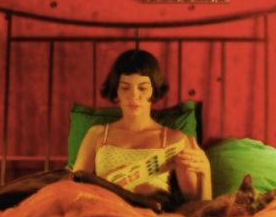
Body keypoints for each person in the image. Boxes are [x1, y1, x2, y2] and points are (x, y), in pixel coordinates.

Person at [73, 49, 212, 201]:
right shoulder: (97, 135)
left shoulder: (175, 140)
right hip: (105, 208)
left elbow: (196, 204)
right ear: (116, 91)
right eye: (125, 87)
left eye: (142, 88)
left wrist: (205, 172)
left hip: (150, 211)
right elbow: (73, 190)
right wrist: (107, 182)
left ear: (154, 90)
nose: (134, 96)